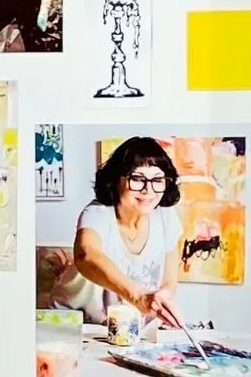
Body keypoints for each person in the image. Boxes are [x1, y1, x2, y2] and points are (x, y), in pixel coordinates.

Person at [68, 136, 186, 328]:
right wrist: (138, 297)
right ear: (116, 180)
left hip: (127, 329)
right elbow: (86, 256)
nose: (148, 190)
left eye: (157, 180)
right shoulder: (98, 213)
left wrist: (162, 298)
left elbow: (169, 280)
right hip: (79, 324)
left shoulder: (166, 216)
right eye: (137, 179)